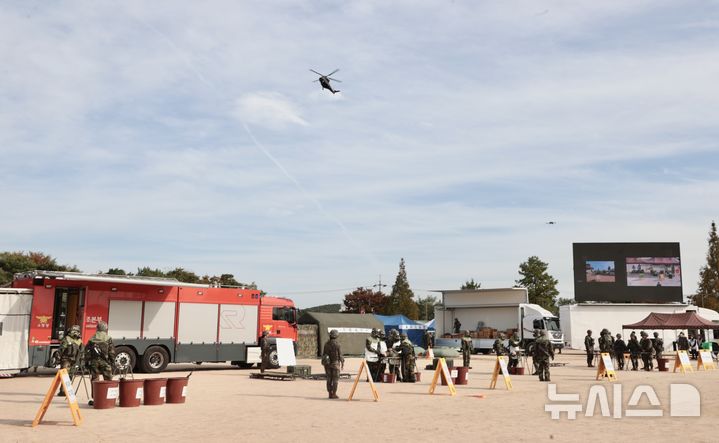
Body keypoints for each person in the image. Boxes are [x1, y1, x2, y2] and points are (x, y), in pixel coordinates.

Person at [85, 321, 116, 406]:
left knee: (95, 380)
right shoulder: (108, 338)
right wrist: (112, 363)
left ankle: (96, 399)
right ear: (105, 329)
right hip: (105, 363)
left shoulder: (92, 338)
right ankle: (108, 399)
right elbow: (111, 352)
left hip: (94, 363)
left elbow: (87, 352)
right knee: (108, 380)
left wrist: (87, 362)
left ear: (97, 328)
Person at [57, 325, 83, 396]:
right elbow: (81, 351)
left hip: (66, 360)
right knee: (69, 376)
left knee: (65, 376)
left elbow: (61, 350)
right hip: (73, 360)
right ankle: (66, 390)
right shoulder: (79, 340)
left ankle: (63, 391)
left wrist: (59, 359)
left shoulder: (67, 338)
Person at [321, 329, 344, 399]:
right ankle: (334, 393)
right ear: (336, 336)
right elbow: (340, 356)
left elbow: (324, 354)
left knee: (329, 379)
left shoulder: (326, 344)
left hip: (327, 364)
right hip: (335, 364)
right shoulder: (337, 344)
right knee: (335, 380)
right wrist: (342, 362)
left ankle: (330, 393)